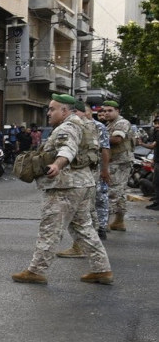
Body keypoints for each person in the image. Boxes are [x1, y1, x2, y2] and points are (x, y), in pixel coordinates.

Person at [12, 94, 112, 285]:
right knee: (83, 228)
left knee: (50, 227)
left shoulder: (68, 127)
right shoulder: (86, 124)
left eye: (52, 109)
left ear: (65, 111)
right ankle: (102, 270)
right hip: (83, 183)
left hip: (65, 185)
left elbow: (68, 148)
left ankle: (36, 271)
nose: (48, 113)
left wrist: (57, 165)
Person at [58, 100, 110, 256]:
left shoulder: (91, 126)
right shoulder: (86, 126)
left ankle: (85, 247)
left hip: (85, 172)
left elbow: (105, 149)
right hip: (84, 172)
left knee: (83, 211)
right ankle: (88, 248)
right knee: (85, 210)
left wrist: (105, 171)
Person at [100, 100, 133, 231]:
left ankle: (104, 223)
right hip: (115, 162)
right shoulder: (110, 124)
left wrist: (96, 139)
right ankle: (118, 221)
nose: (106, 113)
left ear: (117, 111)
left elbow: (116, 139)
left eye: (110, 110)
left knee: (111, 192)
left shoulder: (122, 123)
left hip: (120, 163)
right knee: (119, 193)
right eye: (105, 111)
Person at [146, 117, 159, 210]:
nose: (156, 125)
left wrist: (141, 144)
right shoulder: (156, 133)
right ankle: (156, 201)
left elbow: (152, 146)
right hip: (157, 161)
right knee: (156, 183)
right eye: (155, 123)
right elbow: (155, 148)